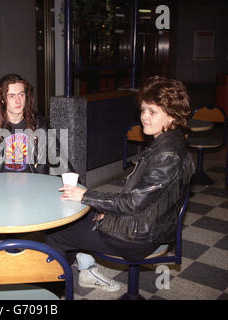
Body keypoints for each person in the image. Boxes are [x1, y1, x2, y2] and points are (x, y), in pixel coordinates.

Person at [46, 76, 195, 292]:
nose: (144, 117)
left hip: (139, 238)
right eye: (143, 110)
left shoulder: (166, 154)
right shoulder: (173, 142)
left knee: (57, 233)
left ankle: (54, 292)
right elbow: (145, 199)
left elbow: (133, 202)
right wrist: (108, 210)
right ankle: (80, 272)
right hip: (149, 224)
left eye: (152, 112)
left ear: (172, 115)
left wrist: (85, 196)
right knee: (79, 215)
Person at [0, 73, 70, 175]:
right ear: (2, 99)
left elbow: (59, 158)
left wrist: (75, 183)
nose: (18, 101)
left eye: (21, 94)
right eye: (11, 96)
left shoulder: (39, 124)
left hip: (34, 184)